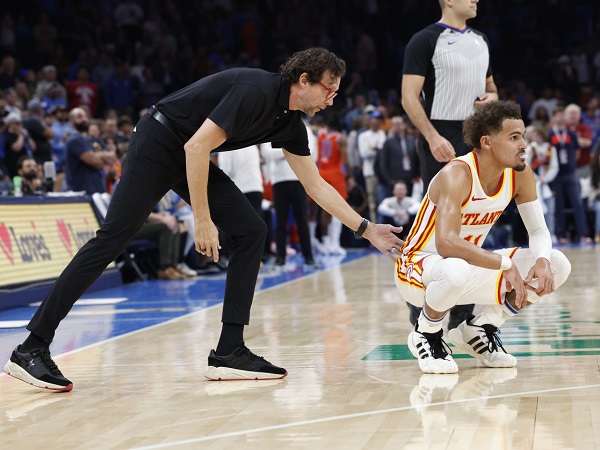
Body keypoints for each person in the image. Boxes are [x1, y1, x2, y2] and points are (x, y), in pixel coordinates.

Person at [3, 47, 403, 391]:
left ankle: (229, 351)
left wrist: (366, 229)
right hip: (159, 142)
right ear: (305, 79)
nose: (331, 100)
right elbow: (198, 147)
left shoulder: (290, 122)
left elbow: (315, 186)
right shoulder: (256, 90)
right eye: (329, 90)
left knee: (251, 230)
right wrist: (202, 218)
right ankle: (31, 347)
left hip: (186, 152)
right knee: (111, 239)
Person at [395, 101, 571, 374]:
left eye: (523, 136)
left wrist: (542, 261)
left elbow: (537, 231)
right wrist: (505, 265)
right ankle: (426, 332)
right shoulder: (457, 174)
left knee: (557, 263)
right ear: (487, 142)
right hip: (418, 266)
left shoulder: (520, 175)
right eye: (514, 138)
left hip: (464, 269)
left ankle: (481, 327)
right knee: (454, 269)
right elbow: (447, 243)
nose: (523, 144)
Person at [401, 0, 499, 329]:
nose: (475, 0)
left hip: (474, 134)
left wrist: (492, 98)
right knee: (437, 227)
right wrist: (430, 137)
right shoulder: (425, 39)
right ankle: (421, 310)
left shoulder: (481, 39)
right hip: (439, 134)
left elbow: (491, 88)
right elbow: (409, 96)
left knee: (475, 224)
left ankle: (462, 315)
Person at [64, 108, 117, 194]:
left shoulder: (92, 139)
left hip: (96, 191)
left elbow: (112, 157)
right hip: (82, 193)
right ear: (71, 121)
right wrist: (102, 158)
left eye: (85, 116)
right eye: (79, 117)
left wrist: (96, 155)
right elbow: (95, 162)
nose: (84, 119)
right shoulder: (75, 139)